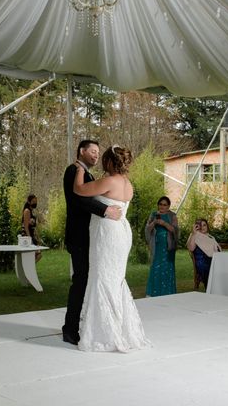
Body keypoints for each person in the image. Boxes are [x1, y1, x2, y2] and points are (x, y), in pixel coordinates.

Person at [72, 145, 151, 352]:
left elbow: (79, 190)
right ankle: (119, 329)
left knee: (101, 277)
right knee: (115, 279)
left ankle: (103, 333)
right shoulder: (127, 183)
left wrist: (80, 170)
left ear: (109, 161)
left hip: (106, 234)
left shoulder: (109, 181)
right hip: (122, 233)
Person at [61, 140, 122, 346]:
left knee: (87, 280)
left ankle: (82, 324)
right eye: (93, 151)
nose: (96, 155)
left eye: (98, 152)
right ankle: (70, 330)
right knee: (80, 281)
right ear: (82, 151)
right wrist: (105, 211)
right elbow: (77, 199)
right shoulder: (73, 170)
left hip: (91, 236)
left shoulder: (87, 174)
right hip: (79, 237)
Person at [144, 196, 179, 297]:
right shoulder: (153, 215)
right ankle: (154, 293)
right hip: (157, 246)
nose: (162, 206)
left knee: (167, 268)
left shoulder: (172, 216)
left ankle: (167, 293)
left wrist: (164, 224)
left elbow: (175, 230)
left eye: (164, 205)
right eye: (160, 204)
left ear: (168, 206)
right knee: (156, 267)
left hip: (168, 247)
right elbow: (147, 229)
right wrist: (154, 222)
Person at [186, 218, 221, 289]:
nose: (202, 227)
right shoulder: (195, 235)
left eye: (204, 225)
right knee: (210, 269)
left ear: (207, 226)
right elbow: (191, 248)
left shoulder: (210, 237)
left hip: (213, 260)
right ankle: (211, 289)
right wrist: (193, 233)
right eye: (200, 225)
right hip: (203, 264)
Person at [21, 194, 42, 261]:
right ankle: (29, 268)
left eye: (36, 201)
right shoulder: (27, 211)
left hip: (32, 235)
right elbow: (26, 226)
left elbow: (34, 226)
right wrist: (30, 239)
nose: (35, 203)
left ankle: (30, 268)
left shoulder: (32, 211)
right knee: (37, 254)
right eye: (33, 201)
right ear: (29, 202)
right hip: (26, 236)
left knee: (38, 254)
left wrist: (37, 237)